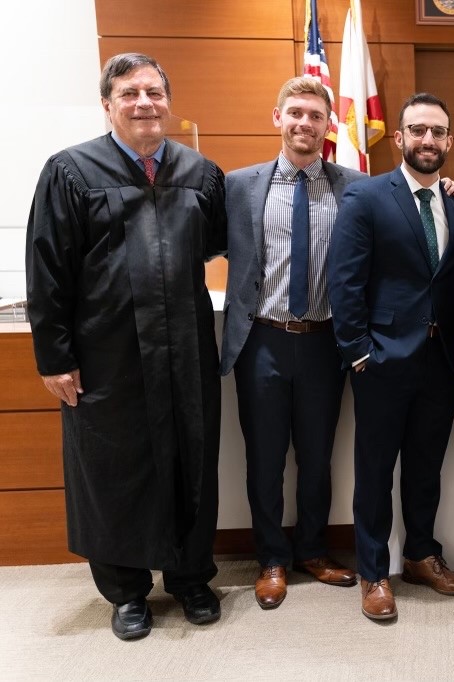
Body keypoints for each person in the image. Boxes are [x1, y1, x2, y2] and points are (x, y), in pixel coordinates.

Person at [24, 53, 227, 640]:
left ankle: (191, 578)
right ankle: (126, 591)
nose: (144, 103)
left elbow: (212, 244)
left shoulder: (199, 172)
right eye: (129, 92)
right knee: (114, 467)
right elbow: (47, 270)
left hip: (185, 349)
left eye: (154, 92)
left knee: (192, 460)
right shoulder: (70, 171)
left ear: (168, 100)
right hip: (107, 354)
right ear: (108, 103)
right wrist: (55, 355)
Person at [328, 92, 454, 621]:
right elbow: (344, 282)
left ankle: (420, 554)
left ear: (449, 141)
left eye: (437, 132)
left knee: (425, 466)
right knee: (373, 471)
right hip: (382, 361)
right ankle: (373, 571)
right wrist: (358, 352)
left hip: (441, 362)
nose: (428, 140)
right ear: (399, 138)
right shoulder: (366, 197)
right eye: (417, 131)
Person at [219, 77, 364, 609]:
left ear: (329, 127)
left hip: (326, 343)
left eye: (316, 115)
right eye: (296, 113)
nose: (305, 123)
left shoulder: (354, 187)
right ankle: (271, 559)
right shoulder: (238, 185)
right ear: (277, 117)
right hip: (262, 340)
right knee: (264, 457)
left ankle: (313, 551)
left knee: (318, 457)